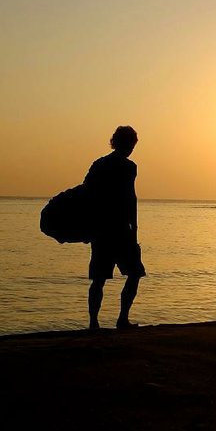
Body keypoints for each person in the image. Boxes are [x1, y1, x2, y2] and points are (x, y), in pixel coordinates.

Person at [84, 125, 146, 329]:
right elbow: (129, 198)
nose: (131, 148)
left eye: (133, 145)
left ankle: (106, 321)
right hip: (112, 229)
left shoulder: (104, 165)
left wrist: (134, 227)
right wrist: (134, 228)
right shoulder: (122, 167)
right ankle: (108, 321)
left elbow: (130, 198)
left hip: (109, 230)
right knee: (117, 276)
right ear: (119, 143)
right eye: (130, 144)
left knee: (109, 277)